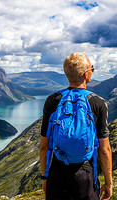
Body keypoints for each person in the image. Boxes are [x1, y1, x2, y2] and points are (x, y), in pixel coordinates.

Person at [40, 53, 112, 200]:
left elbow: (44, 146)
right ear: (86, 74)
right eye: (92, 68)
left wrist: (45, 177)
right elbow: (104, 150)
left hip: (57, 173)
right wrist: (108, 183)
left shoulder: (52, 100)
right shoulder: (98, 103)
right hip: (85, 175)